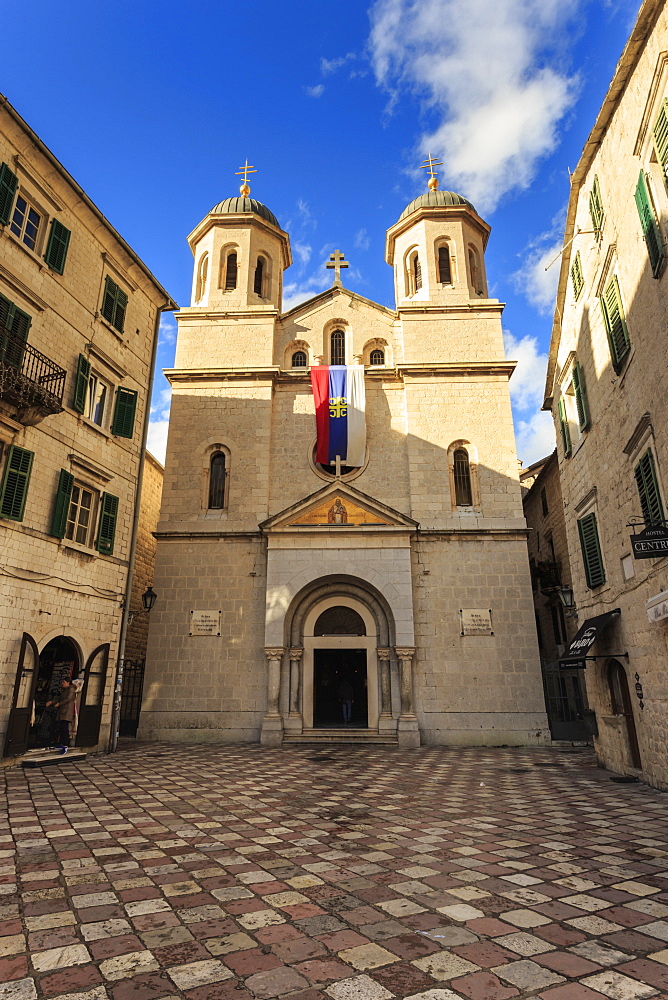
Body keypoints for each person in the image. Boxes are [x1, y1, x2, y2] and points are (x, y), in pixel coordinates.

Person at [46, 678, 77, 754]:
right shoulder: (64, 690)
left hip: (66, 711)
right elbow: (60, 698)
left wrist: (59, 704)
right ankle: (62, 743)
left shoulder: (71, 690)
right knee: (61, 727)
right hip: (62, 711)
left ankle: (66, 745)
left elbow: (68, 699)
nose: (62, 683)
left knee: (64, 727)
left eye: (64, 682)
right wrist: (52, 702)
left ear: (68, 683)